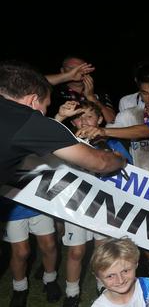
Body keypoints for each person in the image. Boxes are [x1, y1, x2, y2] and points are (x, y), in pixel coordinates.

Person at [0, 61, 126, 307]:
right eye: (45, 107)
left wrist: (65, 76)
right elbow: (99, 163)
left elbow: (14, 78)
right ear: (32, 101)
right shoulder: (27, 120)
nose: (45, 114)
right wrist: (119, 160)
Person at [76, 64, 149, 289]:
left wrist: (104, 131)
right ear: (139, 90)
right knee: (148, 234)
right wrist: (91, 110)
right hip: (144, 185)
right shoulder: (130, 112)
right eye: (145, 93)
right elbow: (110, 124)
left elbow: (145, 131)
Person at [56, 100, 132, 307]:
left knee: (102, 250)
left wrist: (112, 155)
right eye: (78, 117)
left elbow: (127, 168)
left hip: (103, 206)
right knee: (75, 251)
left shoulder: (111, 141)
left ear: (99, 119)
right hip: (75, 205)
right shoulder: (67, 140)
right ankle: (72, 293)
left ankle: (103, 287)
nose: (83, 121)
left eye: (89, 116)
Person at [90, 237, 149, 307]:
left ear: (136, 264)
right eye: (110, 276)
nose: (120, 280)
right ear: (98, 278)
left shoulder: (148, 287)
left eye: (125, 271)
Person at [46, 56, 116, 123]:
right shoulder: (53, 91)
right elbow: (36, 82)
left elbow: (113, 121)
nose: (77, 71)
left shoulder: (98, 91)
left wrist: (92, 98)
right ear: (62, 70)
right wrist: (69, 76)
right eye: (71, 68)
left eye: (82, 68)